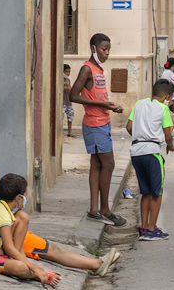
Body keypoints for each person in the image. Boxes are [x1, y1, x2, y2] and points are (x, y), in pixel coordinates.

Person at [0, 173, 121, 285]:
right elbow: (9, 249)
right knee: (21, 268)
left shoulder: (5, 209)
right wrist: (34, 268)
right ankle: (39, 274)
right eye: (25, 196)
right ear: (18, 198)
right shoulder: (2, 215)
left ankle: (94, 264)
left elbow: (14, 247)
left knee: (22, 217)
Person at [70, 33, 127, 226]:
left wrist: (109, 105)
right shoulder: (87, 68)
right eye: (104, 49)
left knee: (97, 164)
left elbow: (97, 95)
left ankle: (95, 210)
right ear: (93, 48)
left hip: (102, 121)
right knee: (108, 164)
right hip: (95, 123)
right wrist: (101, 104)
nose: (107, 53)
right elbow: (73, 95)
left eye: (109, 49)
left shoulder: (98, 69)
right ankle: (104, 210)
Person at [126, 79, 174, 241]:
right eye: (170, 98)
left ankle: (143, 228)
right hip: (152, 153)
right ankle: (152, 229)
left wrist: (140, 137)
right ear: (167, 96)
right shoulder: (163, 108)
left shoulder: (139, 104)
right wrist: (169, 145)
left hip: (136, 152)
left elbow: (129, 127)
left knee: (146, 192)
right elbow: (168, 133)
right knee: (157, 192)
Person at [62, 64, 76, 138]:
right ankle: (59, 132)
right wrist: (66, 88)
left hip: (68, 102)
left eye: (69, 72)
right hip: (62, 102)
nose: (68, 73)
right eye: (66, 71)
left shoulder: (68, 80)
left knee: (70, 116)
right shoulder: (60, 79)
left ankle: (69, 132)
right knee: (61, 117)